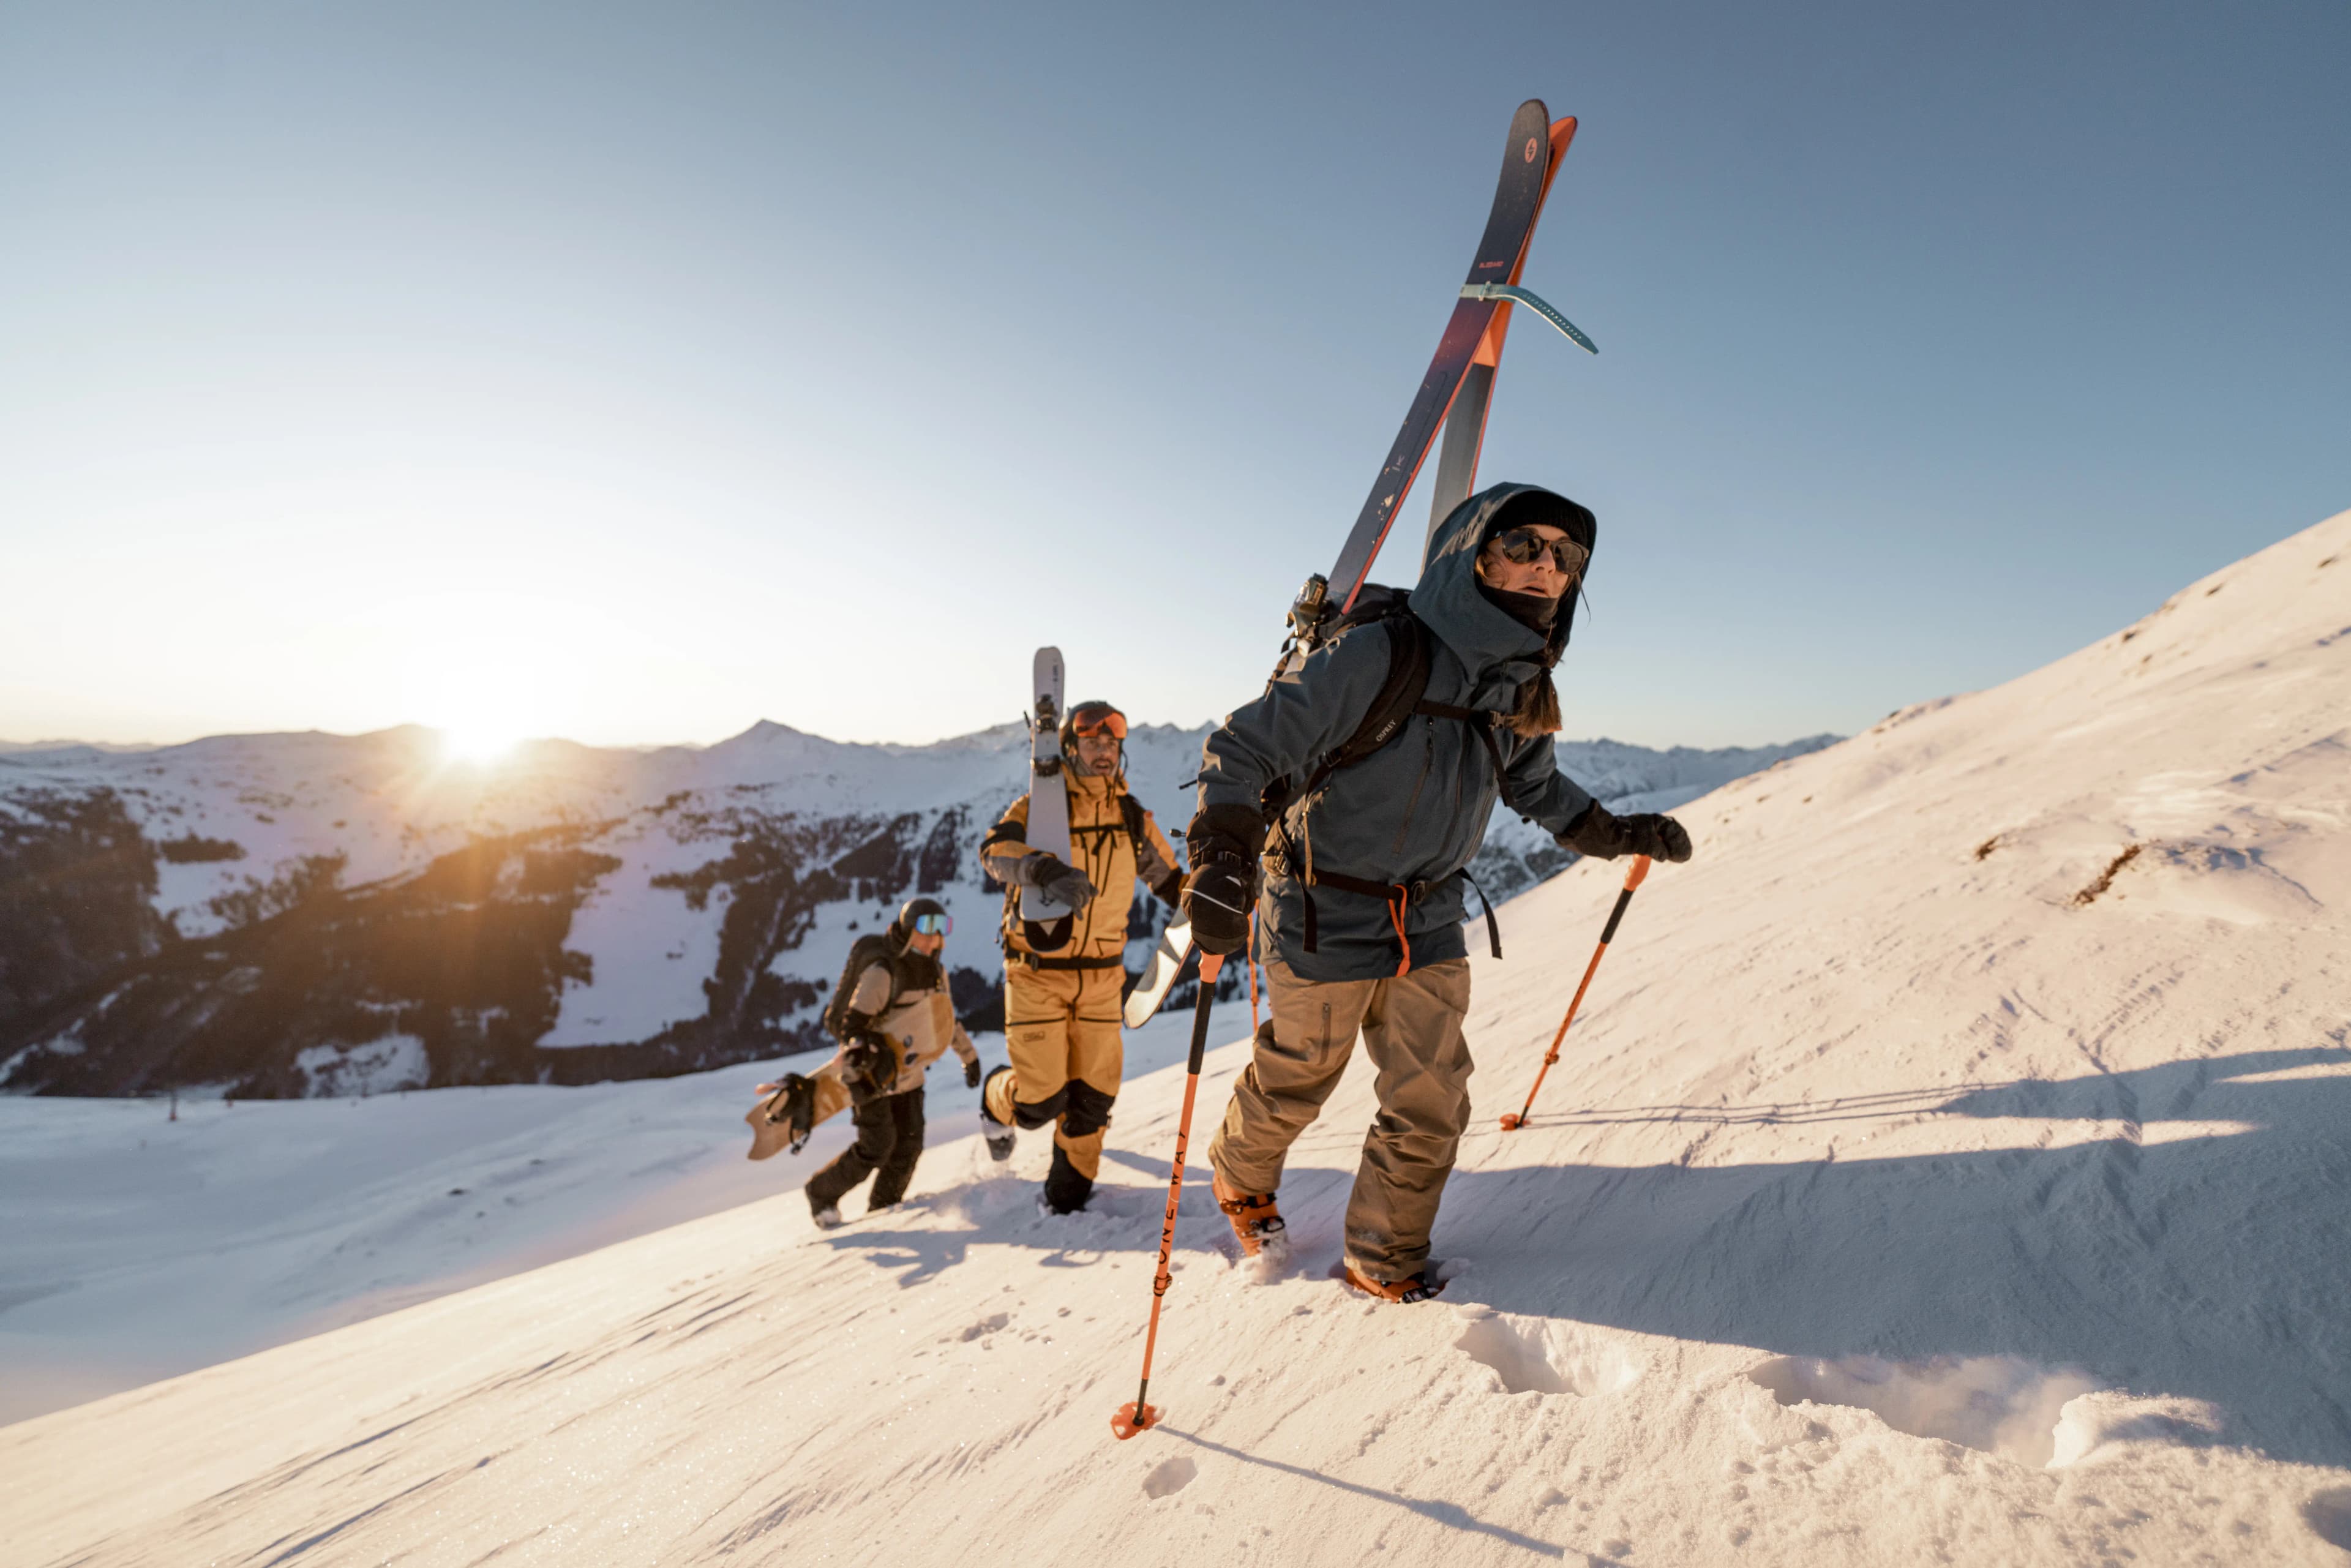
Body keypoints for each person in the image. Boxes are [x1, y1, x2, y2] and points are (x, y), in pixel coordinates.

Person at [1181, 483, 1692, 1301]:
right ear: (1473, 553)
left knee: (1433, 1097)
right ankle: (1240, 1175)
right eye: (1525, 543)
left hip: (1429, 916)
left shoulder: (1517, 684)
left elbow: (1536, 788)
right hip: (1320, 909)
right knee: (1300, 1074)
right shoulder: (1378, 652)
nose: (1545, 566)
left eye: (1565, 556)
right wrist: (1222, 855)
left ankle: (1385, 1255)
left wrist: (1618, 833)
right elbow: (1245, 748)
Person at [978, 700, 1186, 1214]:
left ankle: (1066, 1194)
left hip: (1100, 979)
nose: (1104, 752)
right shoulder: (1041, 809)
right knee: (1038, 1102)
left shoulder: (1131, 816)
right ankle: (994, 1098)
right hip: (1036, 974)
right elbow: (995, 854)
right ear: (1070, 747)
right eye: (1092, 742)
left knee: (1093, 1099)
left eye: (1111, 743)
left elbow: (1168, 879)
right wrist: (1043, 870)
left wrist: (1211, 899)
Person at [797, 896, 982, 1229]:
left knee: (909, 1146)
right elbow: (851, 1026)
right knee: (876, 1147)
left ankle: (882, 1214)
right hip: (871, 1076)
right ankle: (820, 1193)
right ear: (908, 929)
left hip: (910, 1076)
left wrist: (968, 1057)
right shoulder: (884, 973)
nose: (935, 937)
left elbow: (944, 1020)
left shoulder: (937, 973)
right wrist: (867, 1049)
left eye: (943, 928)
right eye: (927, 927)